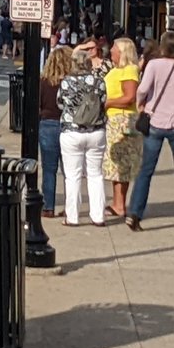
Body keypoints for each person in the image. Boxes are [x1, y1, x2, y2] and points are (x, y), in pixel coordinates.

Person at [126, 34, 174, 232]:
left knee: (146, 170)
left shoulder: (153, 65)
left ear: (162, 48)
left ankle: (135, 213)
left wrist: (141, 104)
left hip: (155, 121)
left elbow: (142, 89)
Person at [58, 50, 110, 227]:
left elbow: (60, 103)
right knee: (95, 174)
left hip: (72, 131)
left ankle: (72, 217)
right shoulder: (99, 81)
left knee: (73, 176)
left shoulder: (67, 82)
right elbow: (103, 101)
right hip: (96, 131)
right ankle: (98, 216)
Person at [103, 36, 143, 220]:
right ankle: (117, 203)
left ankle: (120, 205)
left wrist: (107, 102)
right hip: (114, 119)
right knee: (115, 164)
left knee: (123, 163)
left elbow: (130, 97)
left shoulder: (129, 70)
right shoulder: (116, 69)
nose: (111, 50)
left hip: (123, 120)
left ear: (122, 51)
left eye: (114, 48)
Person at [37, 46, 72, 218]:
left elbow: (38, 105)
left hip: (47, 124)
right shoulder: (71, 83)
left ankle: (48, 207)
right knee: (69, 171)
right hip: (68, 126)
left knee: (49, 169)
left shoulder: (43, 81)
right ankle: (70, 207)